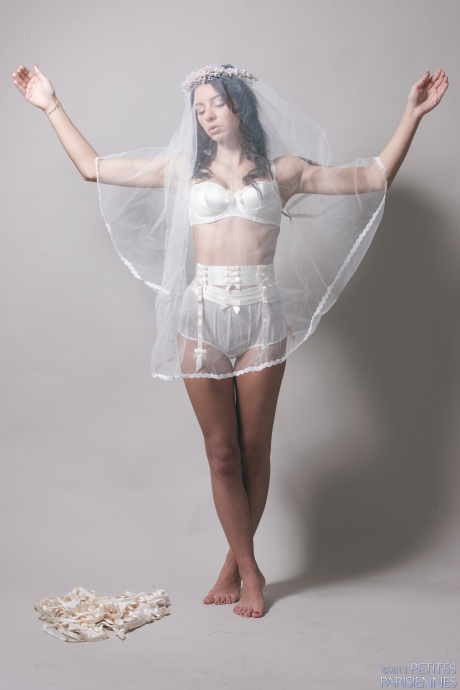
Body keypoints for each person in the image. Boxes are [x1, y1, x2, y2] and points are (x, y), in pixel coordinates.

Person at [12, 63, 448, 618]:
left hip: (262, 316)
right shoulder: (183, 169)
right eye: (199, 109)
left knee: (254, 451)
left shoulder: (284, 170)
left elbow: (373, 178)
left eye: (216, 103)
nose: (208, 116)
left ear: (240, 103)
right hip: (202, 316)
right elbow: (92, 168)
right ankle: (250, 569)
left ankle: (234, 565)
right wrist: (51, 105)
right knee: (221, 455)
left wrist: (412, 113)